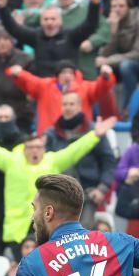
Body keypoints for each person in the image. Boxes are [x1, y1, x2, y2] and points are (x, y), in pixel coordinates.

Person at [0, 113, 116, 250]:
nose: (35, 151)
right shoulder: (12, 161)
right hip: (18, 229)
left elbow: (75, 151)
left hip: (48, 229)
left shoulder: (53, 161)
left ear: (44, 148)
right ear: (24, 149)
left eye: (38, 147)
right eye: (31, 148)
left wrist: (95, 135)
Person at [43, 92, 117, 228]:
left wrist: (102, 188)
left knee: (83, 234)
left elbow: (108, 161)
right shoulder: (51, 134)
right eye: (65, 104)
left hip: (88, 193)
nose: (68, 107)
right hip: (59, 196)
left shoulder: (94, 132)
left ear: (80, 107)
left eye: (72, 104)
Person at [0, 0, 102, 77]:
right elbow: (14, 29)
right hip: (44, 89)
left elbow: (90, 25)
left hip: (68, 89)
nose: (49, 23)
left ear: (60, 21)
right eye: (46, 19)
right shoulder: (36, 37)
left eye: (53, 19)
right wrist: (2, 7)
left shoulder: (71, 36)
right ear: (41, 22)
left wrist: (95, 3)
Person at [9, 60, 115, 135]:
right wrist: (18, 74)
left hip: (79, 136)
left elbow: (101, 87)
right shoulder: (45, 87)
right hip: (50, 138)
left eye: (70, 73)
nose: (67, 76)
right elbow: (29, 81)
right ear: (57, 75)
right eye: (63, 72)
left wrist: (105, 77)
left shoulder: (85, 88)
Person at [95, 0, 139, 111]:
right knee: (98, 67)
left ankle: (129, 108)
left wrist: (109, 60)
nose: (117, 10)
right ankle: (100, 110)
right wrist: (113, 32)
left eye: (121, 6)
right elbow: (104, 54)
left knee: (126, 67)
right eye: (114, 6)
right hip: (118, 62)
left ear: (128, 6)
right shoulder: (110, 21)